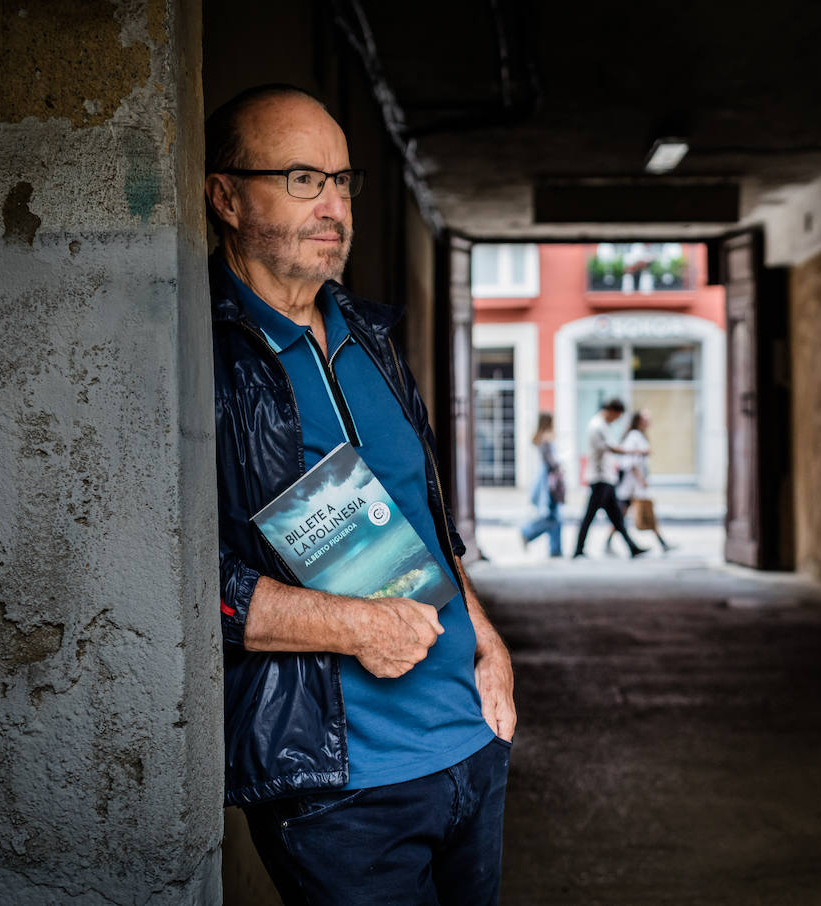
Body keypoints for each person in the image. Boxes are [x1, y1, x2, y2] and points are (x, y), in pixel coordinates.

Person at [207, 84, 515, 906]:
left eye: (342, 181)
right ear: (226, 196)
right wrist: (353, 626)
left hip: (468, 747)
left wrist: (487, 637)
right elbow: (171, 580)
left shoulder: (370, 335)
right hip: (340, 783)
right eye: (303, 178)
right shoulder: (200, 359)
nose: (332, 203)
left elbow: (424, 512)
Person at [572, 399, 648, 559]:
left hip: (606, 478)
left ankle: (632, 547)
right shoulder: (597, 426)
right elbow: (612, 448)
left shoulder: (602, 425)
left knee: (616, 516)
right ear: (612, 411)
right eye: (618, 416)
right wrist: (635, 452)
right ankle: (578, 549)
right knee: (591, 515)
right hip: (600, 478)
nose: (617, 420)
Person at [607, 410, 674, 553]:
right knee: (639, 513)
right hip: (632, 485)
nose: (649, 421)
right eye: (645, 418)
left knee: (622, 514)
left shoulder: (639, 436)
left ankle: (661, 542)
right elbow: (631, 462)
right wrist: (641, 479)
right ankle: (661, 542)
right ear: (638, 421)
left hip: (633, 486)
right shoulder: (634, 437)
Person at [519, 412, 563, 557]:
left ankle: (555, 549)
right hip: (550, 483)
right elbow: (552, 463)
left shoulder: (543, 438)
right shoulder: (546, 439)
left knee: (555, 516)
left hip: (548, 481)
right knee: (552, 516)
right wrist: (560, 467)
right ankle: (528, 532)